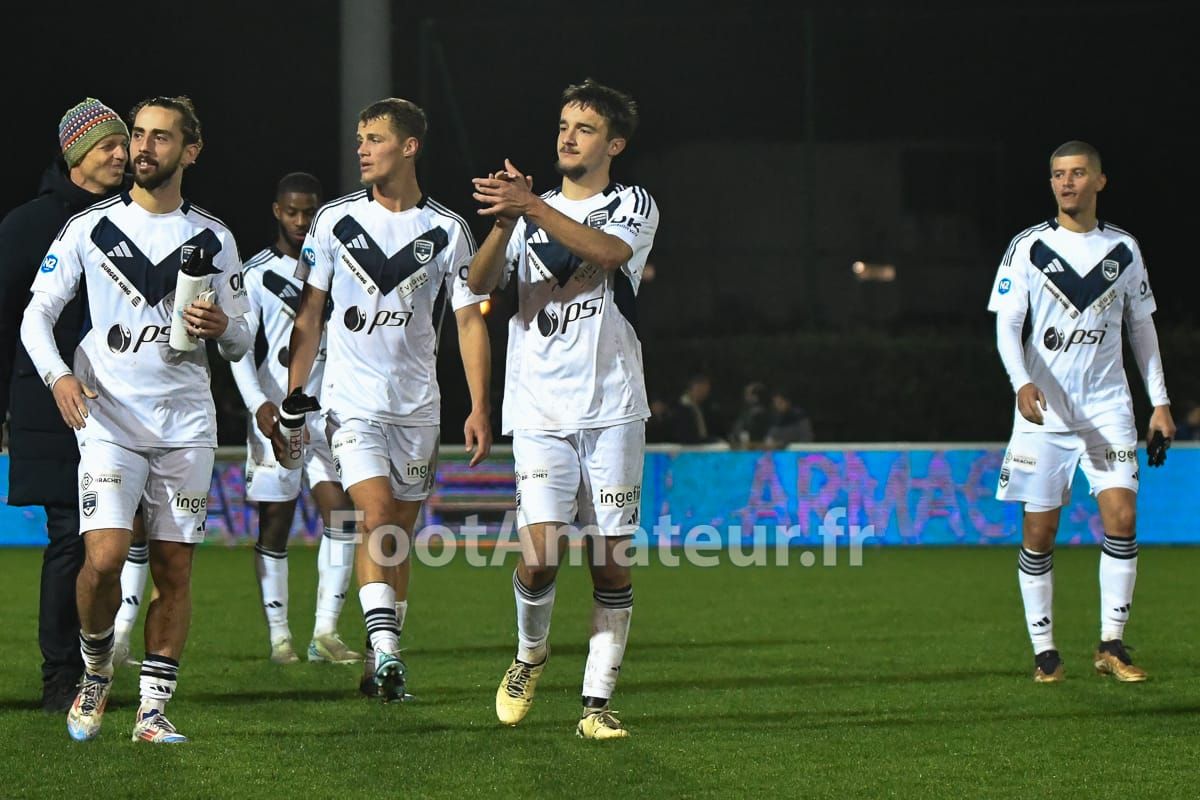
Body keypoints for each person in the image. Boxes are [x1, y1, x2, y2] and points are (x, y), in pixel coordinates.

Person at [20, 95, 252, 743]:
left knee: (176, 568)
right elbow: (36, 315)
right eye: (138, 135)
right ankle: (95, 669)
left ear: (191, 150)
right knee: (104, 555)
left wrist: (224, 325)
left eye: (158, 137)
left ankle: (152, 710)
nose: (142, 148)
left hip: (185, 424)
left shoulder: (214, 237)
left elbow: (240, 340)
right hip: (108, 417)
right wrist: (59, 375)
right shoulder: (90, 227)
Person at [467, 78, 660, 739]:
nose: (567, 137)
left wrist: (531, 208)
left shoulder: (631, 204)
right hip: (540, 407)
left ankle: (596, 707)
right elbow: (479, 284)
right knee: (542, 553)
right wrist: (506, 221)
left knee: (609, 560)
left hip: (613, 408)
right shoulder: (533, 212)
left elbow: (608, 254)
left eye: (583, 128)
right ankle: (529, 655)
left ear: (614, 144)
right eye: (561, 126)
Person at [287, 97, 492, 702]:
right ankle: (387, 651)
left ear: (409, 146)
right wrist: (297, 392)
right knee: (373, 517)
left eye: (374, 138)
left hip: (418, 407)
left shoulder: (449, 230)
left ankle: (381, 665)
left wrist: (479, 406)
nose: (362, 148)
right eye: (359, 138)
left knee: (397, 534)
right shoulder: (333, 221)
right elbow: (310, 313)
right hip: (350, 403)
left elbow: (469, 321)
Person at [987, 140, 1175, 684]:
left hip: (1107, 407)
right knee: (1039, 533)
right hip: (1044, 412)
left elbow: (1142, 329)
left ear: (1099, 181)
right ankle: (1045, 650)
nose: (1066, 183)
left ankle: (1111, 644)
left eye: (1076, 173)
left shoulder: (1124, 250)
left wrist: (1159, 401)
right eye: (1056, 175)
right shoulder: (1030, 247)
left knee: (1122, 517)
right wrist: (1021, 381)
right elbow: (1006, 325)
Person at [0, 99, 130, 712]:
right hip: (47, 405)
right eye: (107, 144)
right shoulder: (26, 226)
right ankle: (61, 676)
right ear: (76, 154)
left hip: (123, 408)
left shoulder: (135, 219)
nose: (121, 153)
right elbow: (7, 324)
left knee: (116, 542)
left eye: (123, 143)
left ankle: (99, 665)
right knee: (70, 540)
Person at [230, 172, 360, 665]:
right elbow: (240, 348)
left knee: (343, 517)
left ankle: (325, 633)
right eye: (292, 211)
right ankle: (280, 637)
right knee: (276, 524)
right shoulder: (257, 272)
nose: (302, 221)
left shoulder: (339, 267)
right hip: (276, 415)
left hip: (331, 411)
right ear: (277, 211)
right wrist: (257, 405)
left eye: (309, 211)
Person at [672, 373, 718, 444]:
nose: (706, 394)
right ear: (696, 387)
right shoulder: (681, 408)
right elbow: (686, 436)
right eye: (704, 390)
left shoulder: (699, 407)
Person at [728, 381, 771, 448]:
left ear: (756, 397)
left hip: (756, 449)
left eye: (748, 394)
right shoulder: (746, 412)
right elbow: (736, 430)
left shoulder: (761, 414)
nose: (746, 397)